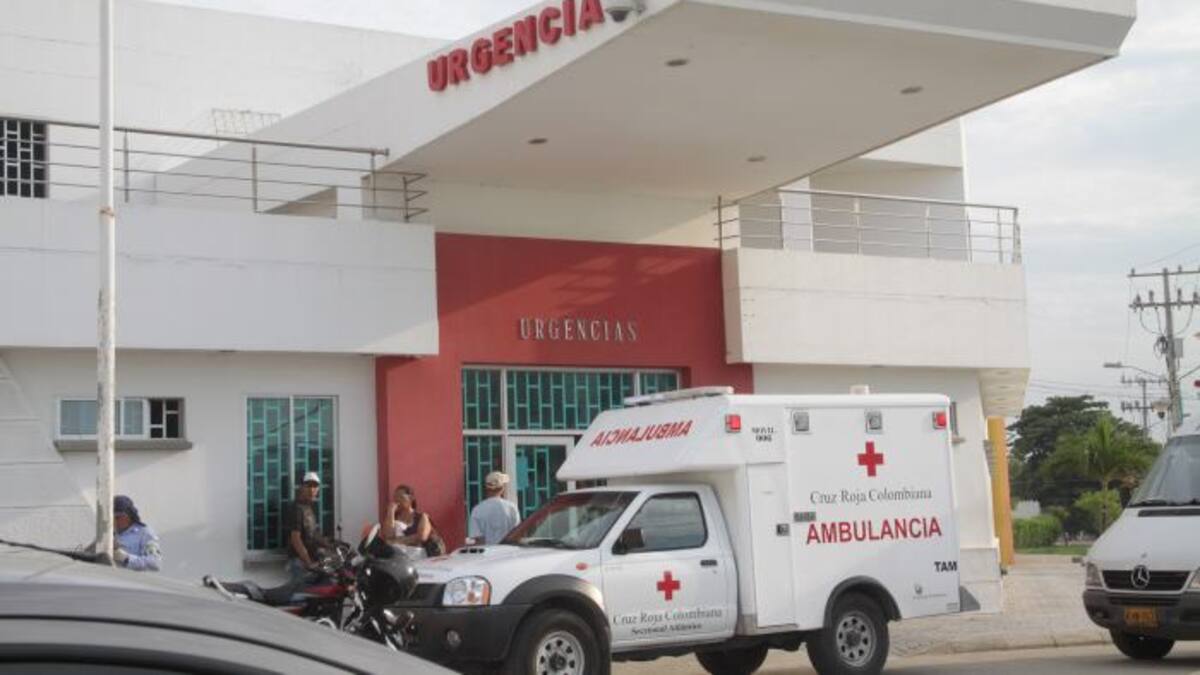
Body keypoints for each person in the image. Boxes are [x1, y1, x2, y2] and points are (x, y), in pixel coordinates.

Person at [283, 471, 334, 582]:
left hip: (307, 560)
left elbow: (312, 534)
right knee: (303, 592)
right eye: (308, 486)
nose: (312, 490)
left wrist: (329, 545)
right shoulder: (297, 508)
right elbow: (296, 539)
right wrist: (309, 562)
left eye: (315, 486)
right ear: (302, 487)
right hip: (299, 562)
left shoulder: (308, 508)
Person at [383, 484, 446, 558]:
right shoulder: (393, 518)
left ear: (411, 498)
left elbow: (421, 537)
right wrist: (391, 511)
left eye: (400, 497)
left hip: (421, 557)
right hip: (400, 557)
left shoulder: (422, 517)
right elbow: (389, 536)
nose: (397, 500)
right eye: (395, 497)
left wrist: (396, 541)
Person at [467, 471, 521, 545]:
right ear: (502, 488)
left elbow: (478, 539)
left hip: (488, 551)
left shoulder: (477, 510)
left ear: (486, 488)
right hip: (508, 550)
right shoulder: (512, 508)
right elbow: (517, 534)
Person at [113, 495, 161, 571]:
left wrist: (126, 558)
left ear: (129, 516)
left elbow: (155, 563)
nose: (114, 521)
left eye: (118, 517)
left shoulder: (144, 533)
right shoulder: (109, 533)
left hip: (129, 577)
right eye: (112, 517)